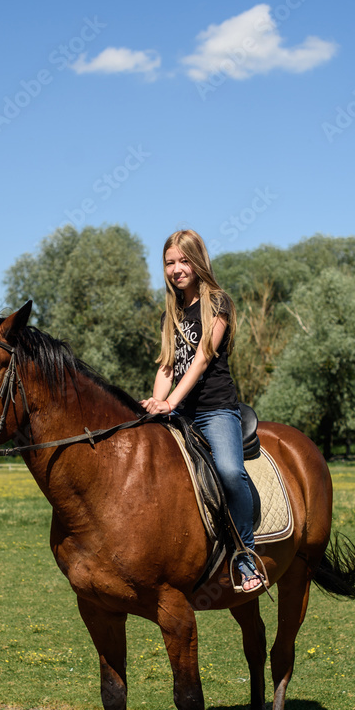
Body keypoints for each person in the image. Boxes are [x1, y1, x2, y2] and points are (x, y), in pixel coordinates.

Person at [140, 229, 265, 593]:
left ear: (197, 262)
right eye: (169, 263)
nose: (176, 269)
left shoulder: (217, 302)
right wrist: (153, 404)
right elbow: (167, 366)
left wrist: (170, 402)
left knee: (228, 471)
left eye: (183, 261)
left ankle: (245, 557)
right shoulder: (171, 314)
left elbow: (200, 359)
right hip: (178, 412)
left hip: (214, 410)